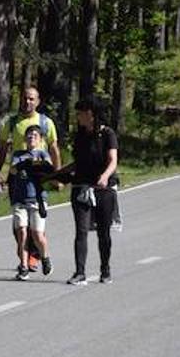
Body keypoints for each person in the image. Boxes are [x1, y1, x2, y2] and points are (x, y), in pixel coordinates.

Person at [0, 86, 62, 271]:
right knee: (19, 226)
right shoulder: (12, 123)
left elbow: (53, 149)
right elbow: (3, 150)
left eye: (31, 99)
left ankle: (33, 257)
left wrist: (57, 175)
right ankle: (28, 254)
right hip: (17, 178)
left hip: (38, 178)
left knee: (36, 223)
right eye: (24, 98)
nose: (27, 102)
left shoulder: (46, 123)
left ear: (37, 101)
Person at [58, 98, 119, 285]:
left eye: (81, 113)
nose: (78, 116)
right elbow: (77, 162)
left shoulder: (107, 134)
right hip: (81, 187)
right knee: (81, 231)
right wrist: (57, 174)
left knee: (103, 231)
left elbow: (113, 160)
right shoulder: (80, 136)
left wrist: (105, 176)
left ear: (91, 114)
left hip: (103, 189)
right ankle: (80, 272)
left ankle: (105, 269)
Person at [8, 125, 56, 280]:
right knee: (21, 232)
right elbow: (13, 170)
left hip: (37, 199)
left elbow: (48, 169)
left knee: (37, 234)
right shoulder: (18, 154)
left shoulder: (43, 154)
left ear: (40, 139)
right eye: (29, 135)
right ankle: (23, 266)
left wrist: (36, 165)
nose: (31, 138)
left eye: (35, 135)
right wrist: (25, 165)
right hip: (20, 199)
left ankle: (45, 258)